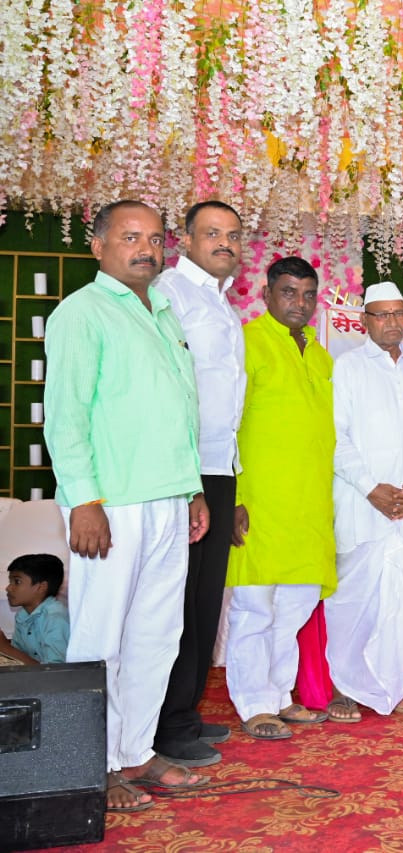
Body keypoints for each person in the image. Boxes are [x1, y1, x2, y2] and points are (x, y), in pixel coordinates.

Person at [44, 200, 211, 811]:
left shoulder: (162, 312)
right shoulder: (82, 312)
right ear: (97, 246)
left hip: (167, 498)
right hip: (111, 503)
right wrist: (85, 500)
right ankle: (90, 764)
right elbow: (65, 416)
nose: (146, 249)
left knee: (157, 635)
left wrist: (192, 489)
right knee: (100, 637)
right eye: (130, 237)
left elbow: (178, 410)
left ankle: (135, 751)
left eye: (155, 239)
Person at [225, 256, 338, 740]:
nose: (300, 303)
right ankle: (254, 704)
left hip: (310, 503)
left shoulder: (321, 355)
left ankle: (278, 694)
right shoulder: (246, 343)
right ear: (266, 294)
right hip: (260, 502)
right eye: (289, 292)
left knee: (294, 608)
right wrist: (233, 496)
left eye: (309, 294)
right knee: (255, 607)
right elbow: (225, 424)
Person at [150, 200, 245, 767]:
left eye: (232, 234)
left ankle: (183, 712)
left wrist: (232, 479)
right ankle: (161, 724)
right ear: (185, 240)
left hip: (219, 466)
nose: (224, 243)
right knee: (177, 602)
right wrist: (190, 481)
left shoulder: (221, 302)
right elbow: (170, 390)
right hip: (186, 470)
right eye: (212, 233)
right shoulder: (169, 293)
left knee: (205, 602)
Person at [328, 281, 403, 721]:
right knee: (354, 602)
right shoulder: (348, 367)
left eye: (399, 313)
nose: (392, 322)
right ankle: (344, 689)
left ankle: (395, 689)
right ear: (365, 321)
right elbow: (336, 438)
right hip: (363, 505)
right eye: (382, 314)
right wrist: (371, 487)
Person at [1, 554, 69, 665]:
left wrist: (6, 648)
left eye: (17, 582)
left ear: (41, 587)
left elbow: (54, 671)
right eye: (10, 582)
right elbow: (19, 658)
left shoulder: (55, 618)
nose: (8, 588)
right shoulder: (22, 615)